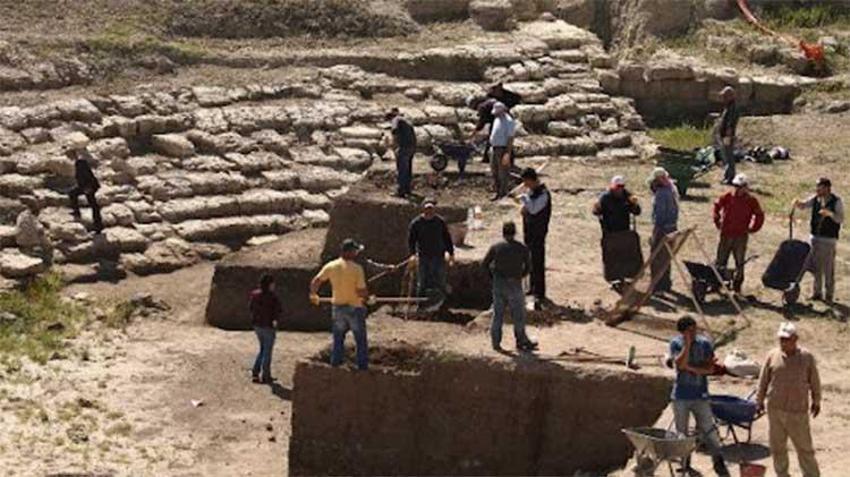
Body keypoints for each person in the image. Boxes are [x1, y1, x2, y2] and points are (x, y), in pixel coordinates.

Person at [756, 322, 821, 477]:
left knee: (804, 448)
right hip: (775, 410)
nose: (783, 342)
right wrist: (759, 400)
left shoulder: (806, 357)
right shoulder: (772, 355)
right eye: (781, 339)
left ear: (795, 339)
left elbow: (815, 381)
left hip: (798, 411)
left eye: (786, 339)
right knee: (777, 447)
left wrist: (816, 400)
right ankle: (782, 474)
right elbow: (763, 380)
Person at [669, 316, 730, 477]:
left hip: (700, 395)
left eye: (695, 329)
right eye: (690, 330)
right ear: (682, 332)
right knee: (682, 433)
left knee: (709, 430)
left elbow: (710, 369)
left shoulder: (704, 344)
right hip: (681, 396)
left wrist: (691, 368)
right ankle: (685, 463)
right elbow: (679, 364)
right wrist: (687, 345)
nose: (694, 333)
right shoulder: (676, 343)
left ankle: (718, 461)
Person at [310, 239, 370, 371]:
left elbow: (316, 281)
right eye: (355, 251)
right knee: (360, 340)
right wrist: (367, 298)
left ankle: (335, 367)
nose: (356, 253)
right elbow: (361, 291)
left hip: (338, 308)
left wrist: (313, 294)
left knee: (338, 339)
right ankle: (362, 369)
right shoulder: (357, 269)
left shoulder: (331, 266)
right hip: (355, 308)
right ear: (350, 252)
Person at [482, 222, 538, 352]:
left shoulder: (496, 247)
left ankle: (496, 342)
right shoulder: (522, 248)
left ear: (503, 233)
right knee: (518, 314)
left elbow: (485, 264)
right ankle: (521, 341)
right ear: (515, 232)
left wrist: (493, 278)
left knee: (498, 314)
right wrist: (520, 276)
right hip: (514, 283)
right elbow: (528, 267)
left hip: (499, 283)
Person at [794, 177, 843, 304]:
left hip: (829, 239)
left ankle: (829, 295)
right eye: (817, 188)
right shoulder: (816, 198)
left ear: (827, 188)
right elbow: (804, 205)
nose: (817, 190)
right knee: (816, 267)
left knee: (828, 268)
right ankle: (817, 293)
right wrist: (798, 203)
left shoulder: (836, 201)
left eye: (820, 188)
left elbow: (840, 218)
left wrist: (830, 214)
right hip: (815, 237)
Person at [712, 173, 764, 292]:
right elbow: (717, 206)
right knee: (721, 260)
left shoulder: (751, 200)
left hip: (740, 236)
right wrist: (717, 220)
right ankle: (716, 282)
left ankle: (737, 285)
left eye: (740, 186)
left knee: (739, 262)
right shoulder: (728, 196)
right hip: (726, 234)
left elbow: (759, 215)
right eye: (736, 186)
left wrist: (754, 228)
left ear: (746, 187)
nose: (738, 189)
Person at [408, 199, 455, 305]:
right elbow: (411, 240)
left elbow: (447, 238)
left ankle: (442, 305)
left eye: (431, 210)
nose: (429, 213)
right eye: (427, 210)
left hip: (438, 256)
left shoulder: (440, 222)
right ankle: (420, 305)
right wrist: (412, 254)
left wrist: (451, 253)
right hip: (423, 256)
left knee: (440, 280)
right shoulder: (416, 223)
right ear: (423, 210)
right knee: (422, 282)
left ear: (434, 210)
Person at [519, 168, 551, 309]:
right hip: (529, 232)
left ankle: (539, 291)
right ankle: (531, 287)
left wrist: (524, 199)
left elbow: (533, 209)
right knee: (530, 261)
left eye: (526, 182)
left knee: (538, 261)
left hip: (538, 233)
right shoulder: (532, 192)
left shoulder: (543, 194)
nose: (525, 185)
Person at [648, 167, 679, 293]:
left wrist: (655, 233)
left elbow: (660, 216)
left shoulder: (661, 193)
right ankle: (666, 284)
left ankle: (657, 285)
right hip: (672, 227)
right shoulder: (672, 189)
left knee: (656, 258)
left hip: (662, 229)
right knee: (666, 258)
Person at [249, 274, 282, 384]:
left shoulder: (255, 295)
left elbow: (251, 308)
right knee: (267, 351)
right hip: (268, 326)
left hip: (257, 326)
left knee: (263, 349)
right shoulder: (272, 297)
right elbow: (278, 311)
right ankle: (265, 375)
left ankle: (256, 372)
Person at [67, 146, 103, 233]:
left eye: (69, 155)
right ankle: (76, 212)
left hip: (89, 186)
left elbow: (87, 175)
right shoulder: (78, 162)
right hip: (85, 186)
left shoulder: (80, 162)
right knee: (72, 193)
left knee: (93, 205)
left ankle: (98, 226)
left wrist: (88, 188)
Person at [489, 101, 517, 201]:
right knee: (494, 171)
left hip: (503, 149)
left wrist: (507, 153)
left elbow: (510, 138)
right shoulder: (497, 119)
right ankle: (497, 191)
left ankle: (503, 193)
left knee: (503, 172)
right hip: (494, 147)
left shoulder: (509, 121)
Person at [386, 108, 417, 198]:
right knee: (408, 169)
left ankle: (400, 191)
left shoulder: (396, 120)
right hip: (412, 147)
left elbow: (394, 131)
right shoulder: (405, 120)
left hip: (404, 147)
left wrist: (395, 145)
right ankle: (407, 189)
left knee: (402, 169)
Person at [714, 86, 739, 185]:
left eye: (725, 96)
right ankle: (727, 175)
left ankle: (730, 177)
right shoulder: (728, 107)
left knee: (729, 157)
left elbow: (730, 124)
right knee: (725, 156)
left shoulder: (732, 108)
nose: (723, 98)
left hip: (727, 136)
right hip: (724, 135)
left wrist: (728, 137)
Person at [467, 95, 497, 164]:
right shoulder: (487, 101)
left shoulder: (482, 107)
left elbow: (482, 122)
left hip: (497, 121)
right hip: (500, 121)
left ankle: (487, 158)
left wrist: (474, 132)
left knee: (492, 139)